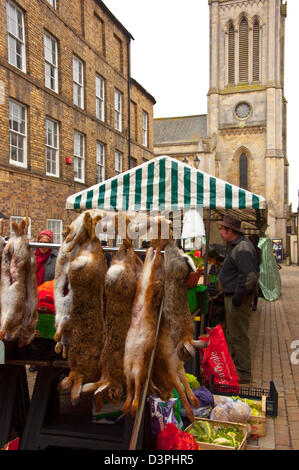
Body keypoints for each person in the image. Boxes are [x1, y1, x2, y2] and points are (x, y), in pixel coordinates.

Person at [217, 215, 258, 384]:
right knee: (233, 334)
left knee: (239, 335)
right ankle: (236, 367)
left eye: (222, 229)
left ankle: (244, 373)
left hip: (238, 299)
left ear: (230, 231)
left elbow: (250, 277)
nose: (220, 231)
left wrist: (237, 297)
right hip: (234, 296)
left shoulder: (242, 247)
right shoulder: (236, 245)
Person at [249, 234, 262, 311]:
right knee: (254, 287)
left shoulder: (255, 250)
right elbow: (260, 261)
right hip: (255, 270)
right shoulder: (257, 250)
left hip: (254, 270)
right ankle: (253, 304)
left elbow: (259, 261)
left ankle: (254, 304)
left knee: (254, 287)